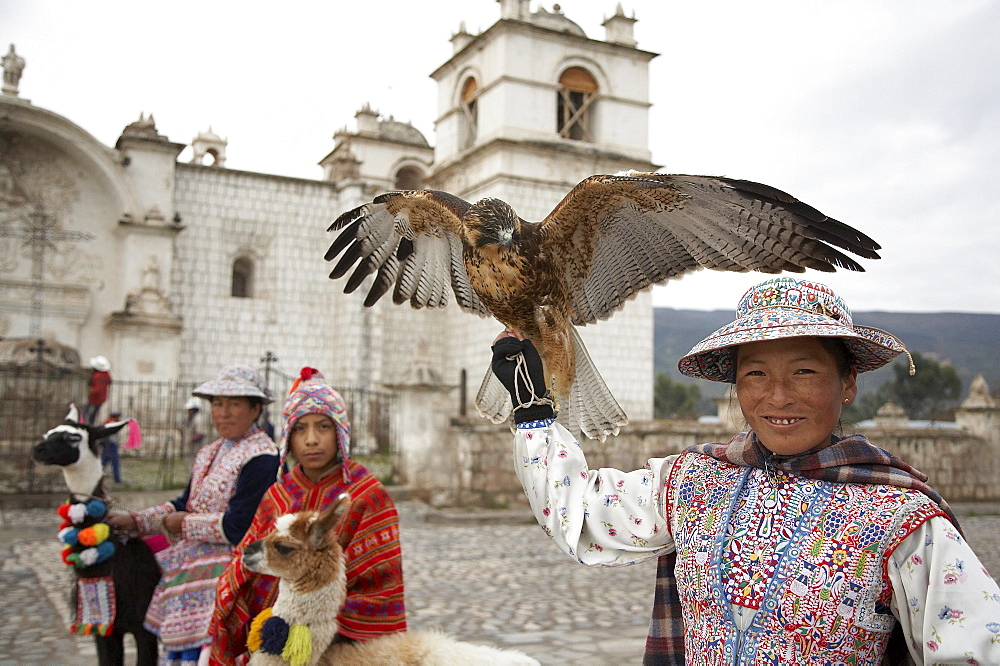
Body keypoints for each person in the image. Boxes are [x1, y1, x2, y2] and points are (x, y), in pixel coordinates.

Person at [491, 277, 1000, 665]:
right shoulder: (693, 483)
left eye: (804, 370)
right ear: (735, 388)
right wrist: (534, 413)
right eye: (755, 373)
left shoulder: (901, 518)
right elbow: (578, 511)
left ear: (847, 385)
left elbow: (975, 647)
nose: (778, 396)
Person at [209, 367, 406, 665]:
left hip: (340, 644)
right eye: (301, 428)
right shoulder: (278, 494)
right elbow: (247, 558)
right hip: (270, 633)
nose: (311, 439)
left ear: (341, 431)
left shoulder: (367, 495)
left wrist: (316, 623)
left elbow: (379, 582)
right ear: (288, 437)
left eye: (323, 427)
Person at [108, 365, 279, 666]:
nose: (223, 412)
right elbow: (184, 502)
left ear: (255, 409)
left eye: (234, 404)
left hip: (231, 578)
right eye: (217, 403)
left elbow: (241, 525)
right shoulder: (209, 452)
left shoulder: (262, 456)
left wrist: (184, 524)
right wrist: (138, 521)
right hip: (193, 575)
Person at [84, 355, 112, 424]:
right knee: (93, 415)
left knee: (88, 415)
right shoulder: (106, 374)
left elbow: (97, 389)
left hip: (94, 399)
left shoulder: (97, 376)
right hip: (101, 399)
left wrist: (91, 392)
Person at [98, 410, 124, 483]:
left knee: (104, 462)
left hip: (106, 445)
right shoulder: (112, 423)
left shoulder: (106, 422)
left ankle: (97, 477)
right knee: (115, 462)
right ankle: (117, 479)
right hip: (111, 445)